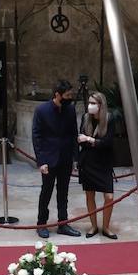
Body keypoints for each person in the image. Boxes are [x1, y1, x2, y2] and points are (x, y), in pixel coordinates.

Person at [32, 79, 83, 240]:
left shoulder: (70, 110)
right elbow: (37, 137)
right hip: (49, 158)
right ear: (57, 95)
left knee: (64, 192)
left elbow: (73, 134)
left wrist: (75, 158)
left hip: (65, 158)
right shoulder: (41, 110)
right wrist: (41, 161)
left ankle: (63, 223)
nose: (70, 97)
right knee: (46, 192)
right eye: (67, 95)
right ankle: (42, 223)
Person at [77, 90, 117, 239]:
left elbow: (108, 143)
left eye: (93, 103)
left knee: (109, 197)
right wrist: (92, 141)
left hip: (104, 162)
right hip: (88, 162)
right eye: (89, 103)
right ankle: (93, 226)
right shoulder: (86, 118)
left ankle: (106, 227)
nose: (90, 106)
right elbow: (80, 139)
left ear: (101, 105)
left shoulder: (109, 119)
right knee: (90, 195)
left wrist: (89, 140)